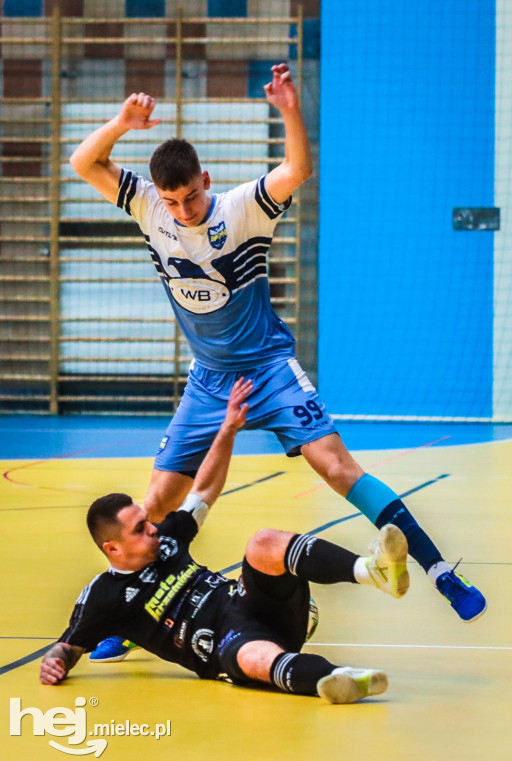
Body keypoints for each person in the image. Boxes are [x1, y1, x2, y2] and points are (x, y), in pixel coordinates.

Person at [69, 63, 485, 661]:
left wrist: (289, 108)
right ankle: (126, 619)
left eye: (190, 197)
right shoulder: (149, 210)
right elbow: (85, 163)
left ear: (204, 180)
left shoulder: (240, 209)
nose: (183, 210)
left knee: (337, 467)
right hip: (209, 381)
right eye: (173, 201)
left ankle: (442, 571)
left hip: (267, 368)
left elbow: (297, 170)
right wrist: (121, 123)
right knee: (155, 503)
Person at [40, 378, 410, 705]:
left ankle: (371, 571)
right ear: (113, 549)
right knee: (252, 659)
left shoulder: (167, 539)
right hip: (226, 643)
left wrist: (229, 428)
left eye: (146, 521)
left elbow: (202, 491)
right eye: (139, 529)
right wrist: (56, 663)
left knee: (263, 542)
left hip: (251, 603)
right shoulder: (104, 596)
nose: (152, 528)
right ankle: (343, 678)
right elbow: (68, 646)